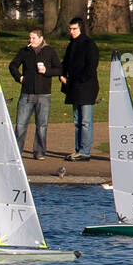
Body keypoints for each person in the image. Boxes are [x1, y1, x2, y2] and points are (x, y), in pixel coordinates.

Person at [9, 27, 61, 159]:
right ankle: (17, 151)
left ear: (41, 38)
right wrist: (19, 77)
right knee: (20, 125)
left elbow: (59, 69)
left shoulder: (49, 52)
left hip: (44, 95)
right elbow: (13, 65)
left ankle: (39, 152)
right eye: (30, 38)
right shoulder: (25, 51)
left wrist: (46, 71)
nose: (30, 40)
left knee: (41, 126)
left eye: (33, 38)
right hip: (26, 94)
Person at [59, 17, 99, 160]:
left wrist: (74, 80)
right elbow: (65, 63)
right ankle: (78, 149)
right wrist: (62, 75)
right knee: (77, 121)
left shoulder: (89, 44)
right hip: (74, 87)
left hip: (86, 87)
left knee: (85, 121)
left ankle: (85, 151)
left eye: (74, 29)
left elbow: (91, 67)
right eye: (70, 29)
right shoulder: (71, 45)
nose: (72, 31)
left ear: (81, 28)